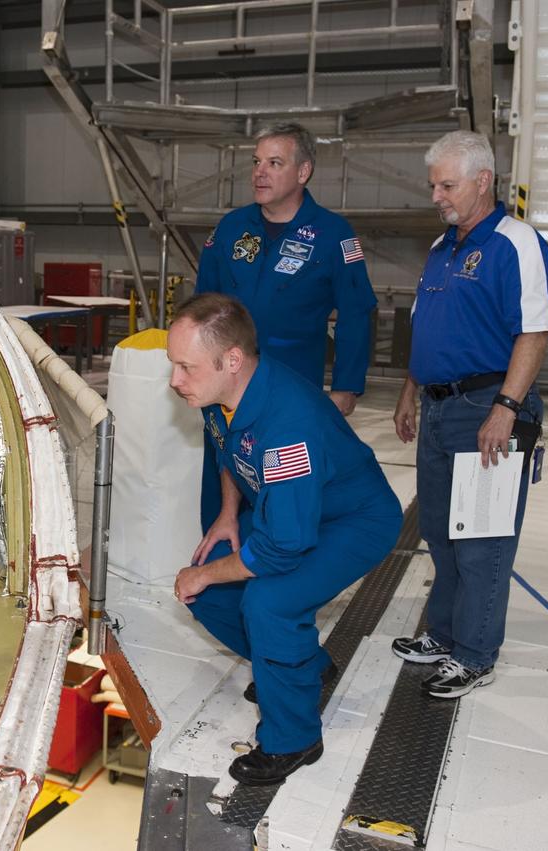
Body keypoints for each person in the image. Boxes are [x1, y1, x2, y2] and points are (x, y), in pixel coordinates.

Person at [168, 293, 401, 786]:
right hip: (295, 509)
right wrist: (228, 515)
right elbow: (227, 448)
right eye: (174, 366)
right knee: (206, 590)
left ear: (232, 360)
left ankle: (294, 739)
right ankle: (305, 668)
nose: (175, 381)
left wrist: (207, 571)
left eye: (185, 368)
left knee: (269, 602)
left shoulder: (288, 425)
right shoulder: (222, 394)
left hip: (353, 520)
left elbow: (281, 548)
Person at [390, 130, 548, 699]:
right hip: (438, 408)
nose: (437, 195)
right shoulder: (442, 249)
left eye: (447, 184)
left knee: (481, 538)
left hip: (487, 408)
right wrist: (410, 390)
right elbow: (428, 329)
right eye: (433, 184)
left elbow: (534, 331)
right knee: (439, 530)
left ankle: (476, 653)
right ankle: (444, 634)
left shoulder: (517, 243)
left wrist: (506, 409)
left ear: (483, 181)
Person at [195, 121, 379, 529]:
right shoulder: (231, 229)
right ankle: (219, 574)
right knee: (221, 490)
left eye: (274, 163)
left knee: (284, 495)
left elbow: (356, 311)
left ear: (303, 172)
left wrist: (347, 387)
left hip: (293, 390)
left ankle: (277, 581)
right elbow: (202, 306)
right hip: (224, 388)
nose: (260, 171)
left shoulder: (333, 235)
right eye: (257, 161)